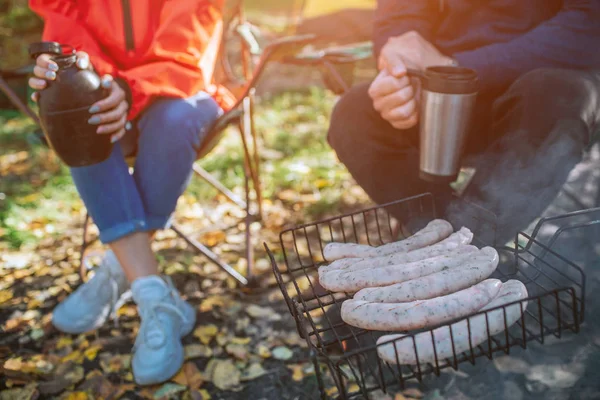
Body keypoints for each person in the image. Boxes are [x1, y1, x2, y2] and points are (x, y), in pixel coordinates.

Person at [28, 0, 234, 385]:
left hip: (185, 90)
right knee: (80, 115)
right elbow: (70, 47)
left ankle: (118, 269)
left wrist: (126, 89)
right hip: (109, 97)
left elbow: (185, 54)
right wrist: (69, 81)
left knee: (172, 121)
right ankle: (155, 296)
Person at [327, 0, 600, 243]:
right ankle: (443, 235)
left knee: (556, 95)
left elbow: (589, 25)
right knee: (353, 114)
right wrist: (401, 62)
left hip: (541, 92)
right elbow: (399, 15)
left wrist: (460, 68)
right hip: (438, 92)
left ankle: (469, 243)